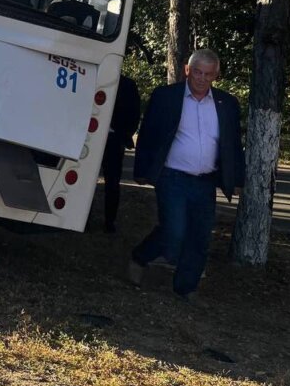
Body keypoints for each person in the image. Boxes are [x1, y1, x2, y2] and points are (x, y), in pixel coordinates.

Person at [128, 49, 244, 299]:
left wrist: (236, 180)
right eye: (198, 72)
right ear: (187, 70)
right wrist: (142, 171)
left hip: (205, 181)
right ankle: (140, 257)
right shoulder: (166, 97)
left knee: (200, 235)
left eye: (208, 74)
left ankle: (185, 287)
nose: (202, 79)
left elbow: (233, 144)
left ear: (216, 76)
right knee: (174, 231)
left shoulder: (227, 104)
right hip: (172, 177)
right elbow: (147, 136)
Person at [101, 74, 141, 233]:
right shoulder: (92, 76)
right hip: (89, 138)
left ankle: (109, 221)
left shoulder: (127, 84)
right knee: (85, 179)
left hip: (114, 139)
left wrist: (124, 134)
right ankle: (84, 219)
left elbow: (134, 113)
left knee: (112, 182)